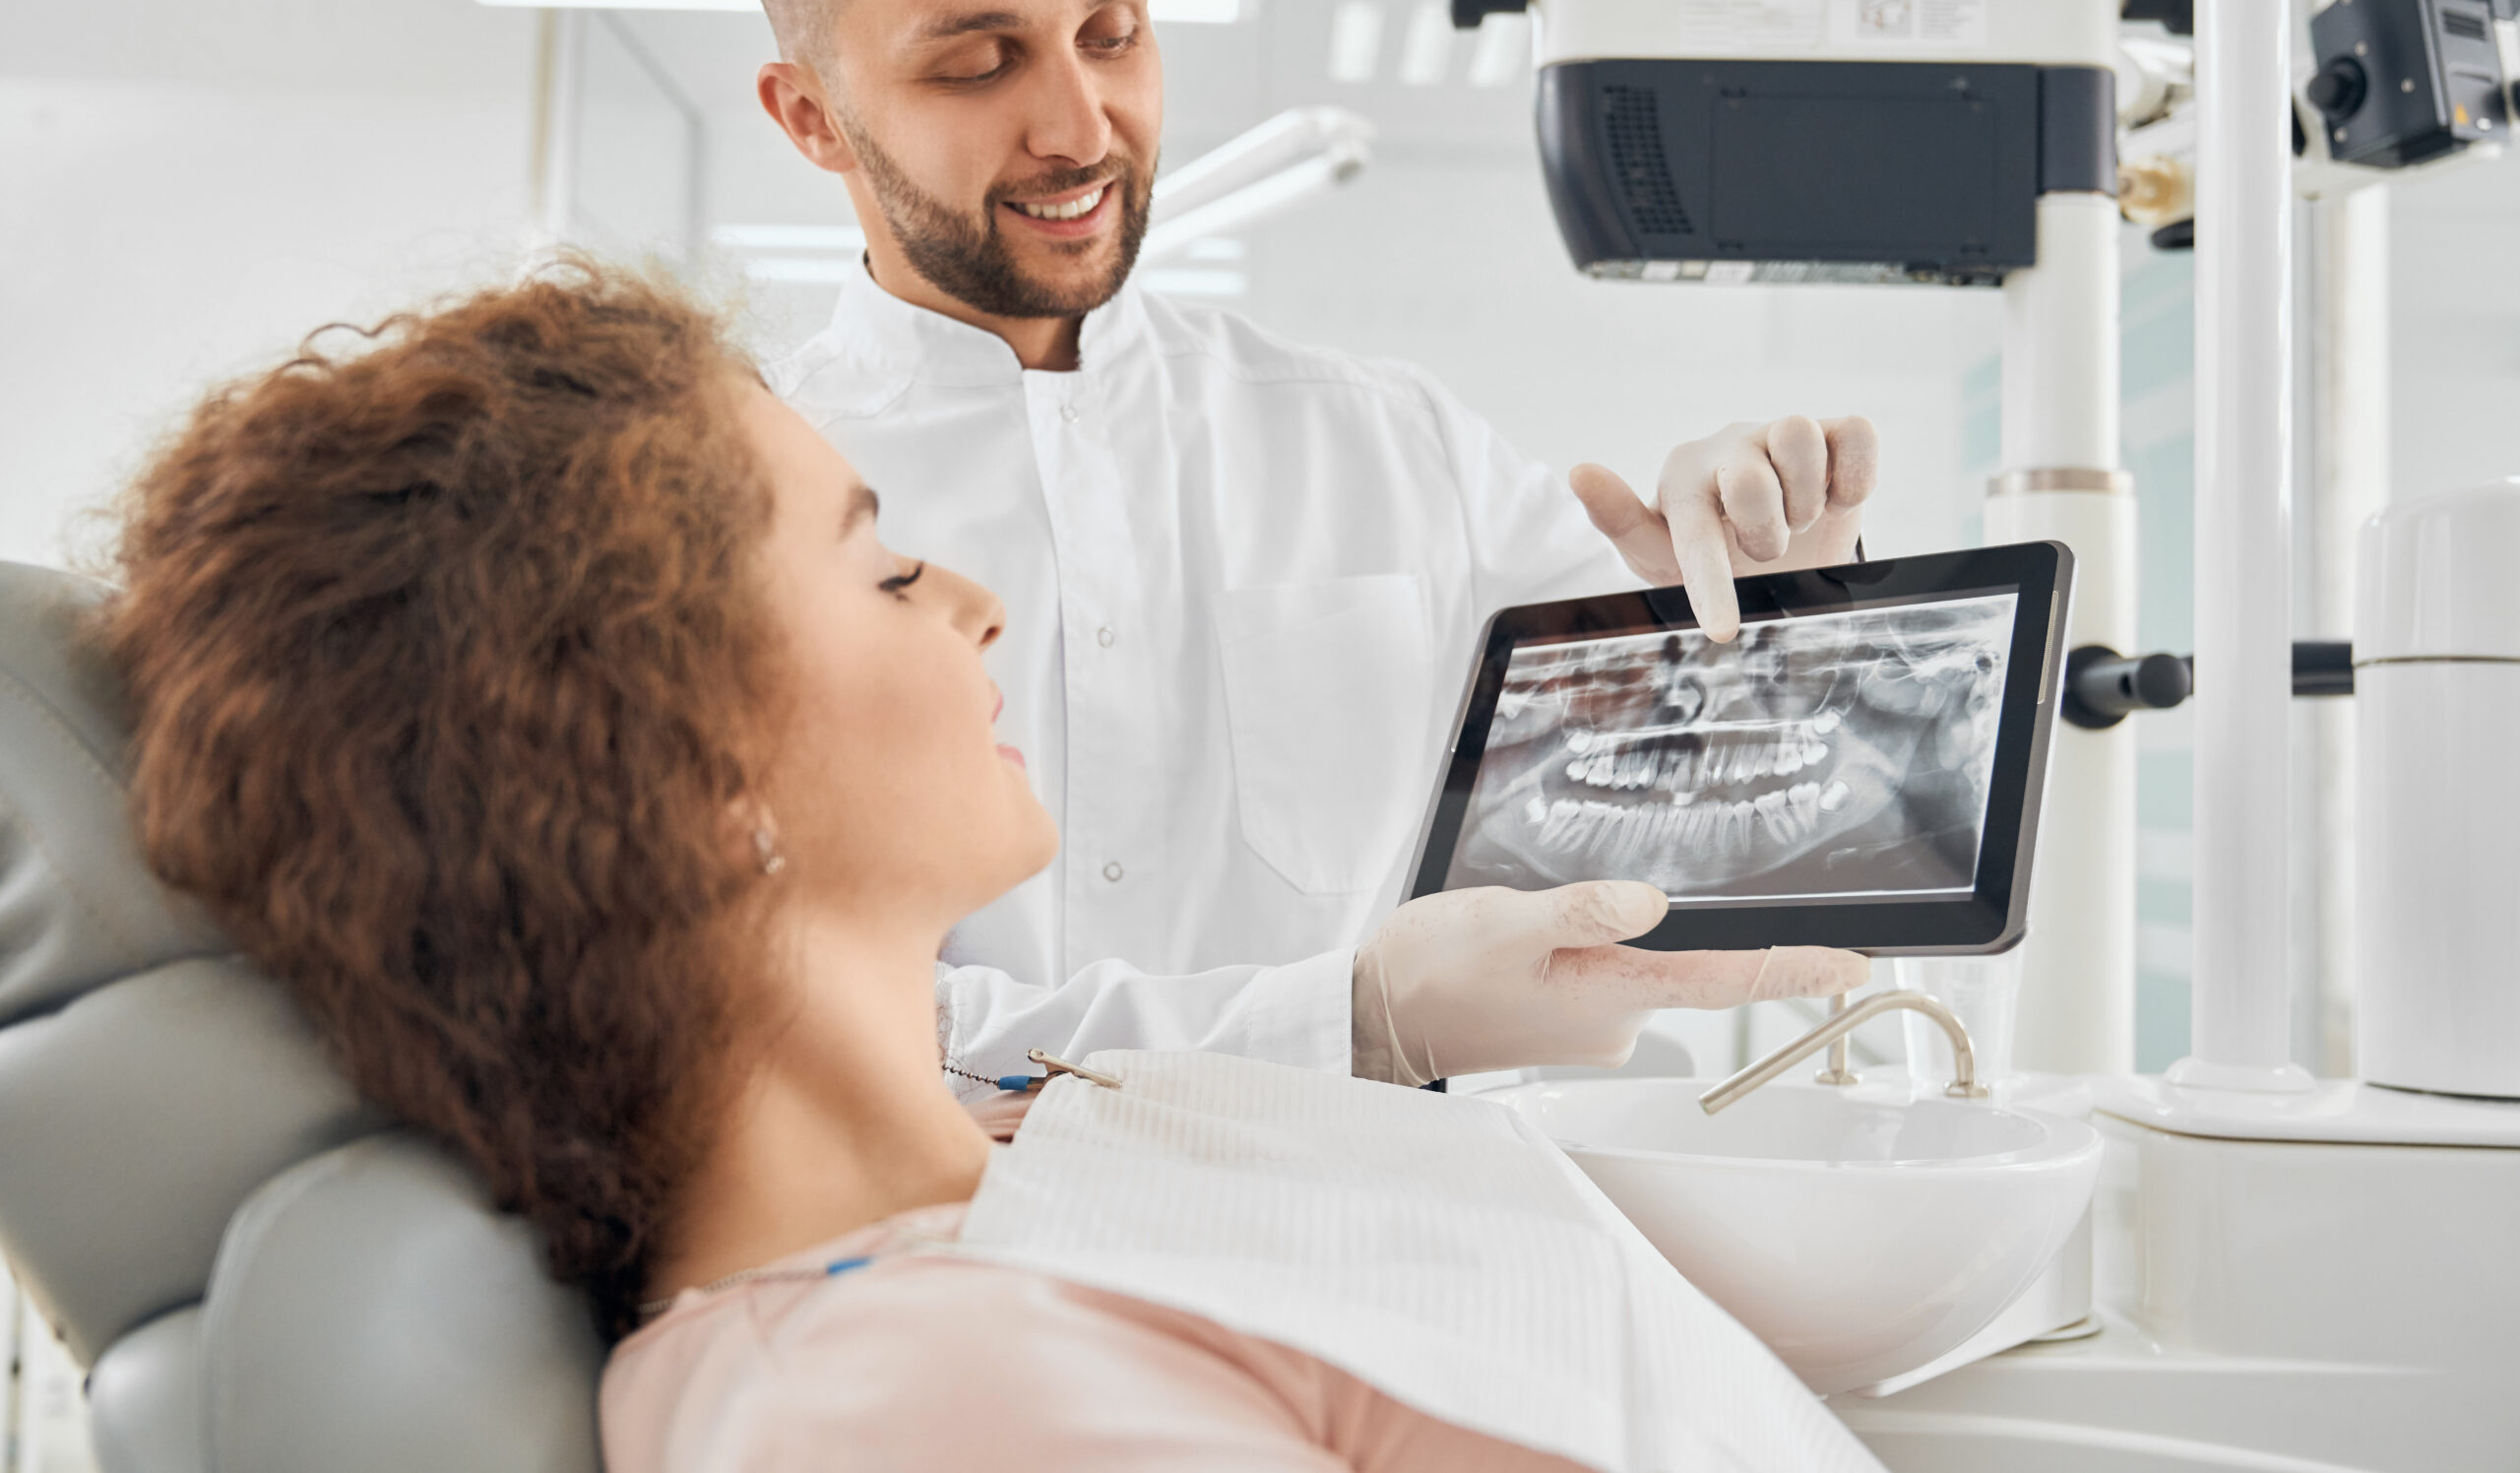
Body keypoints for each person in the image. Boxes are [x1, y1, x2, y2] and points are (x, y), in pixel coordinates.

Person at [99, 266, 1872, 1468]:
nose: (977, 603)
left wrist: (1752, 655)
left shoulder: (1043, 1141)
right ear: (697, 785)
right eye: (883, 573)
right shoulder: (911, 1402)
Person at [737, 0, 1886, 1089]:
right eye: (977, 64)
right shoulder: (732, 510)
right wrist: (1346, 1022)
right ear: (811, 116)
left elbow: (1723, 826)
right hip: (942, 1226)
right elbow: (769, 1012)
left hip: (1376, 1217)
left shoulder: (1392, 445)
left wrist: (1778, 616)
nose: (1081, 127)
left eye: (1113, 34)